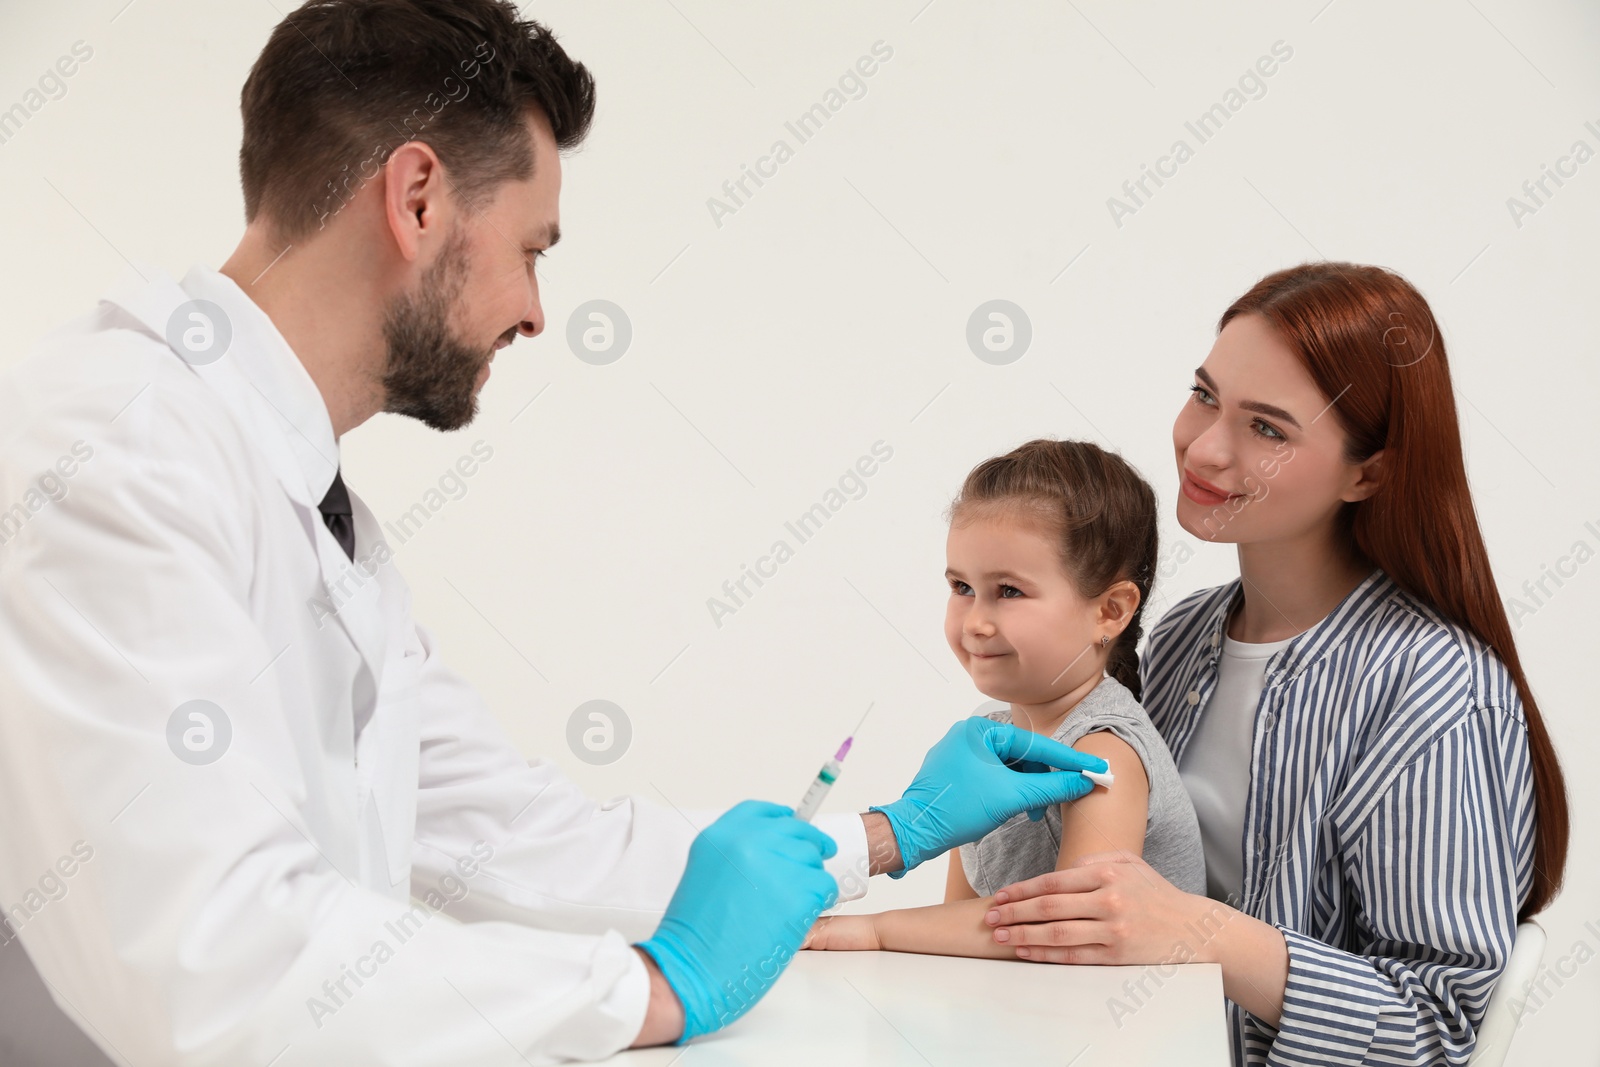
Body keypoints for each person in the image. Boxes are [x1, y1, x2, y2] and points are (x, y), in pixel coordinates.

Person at [0, 2, 1109, 1063]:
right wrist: (651, 987)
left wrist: (878, 835)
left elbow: (510, 834)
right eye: (533, 248)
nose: (536, 310)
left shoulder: (315, 508)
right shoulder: (112, 448)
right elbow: (211, 964)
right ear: (419, 199)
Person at [981, 262, 1570, 1066]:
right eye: (1204, 394)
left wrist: (1197, 931)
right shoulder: (1186, 633)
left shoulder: (1433, 689)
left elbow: (1436, 1029)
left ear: (1370, 472)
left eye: (1267, 428)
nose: (1206, 447)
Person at [805, 439, 1206, 956]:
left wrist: (877, 931)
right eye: (961, 586)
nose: (975, 622)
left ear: (1109, 611)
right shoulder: (985, 737)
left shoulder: (1105, 753)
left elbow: (1072, 928)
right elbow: (954, 928)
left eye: (1009, 591)